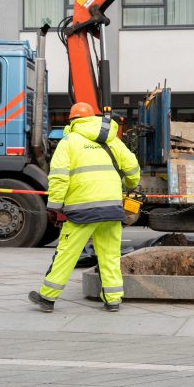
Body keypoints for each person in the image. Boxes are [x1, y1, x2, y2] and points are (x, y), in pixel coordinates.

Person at [28, 102, 140, 313]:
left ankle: (48, 298)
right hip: (112, 209)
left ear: (72, 121)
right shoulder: (112, 141)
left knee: (66, 254)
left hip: (81, 212)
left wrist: (54, 208)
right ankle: (113, 300)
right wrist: (131, 185)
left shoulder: (69, 142)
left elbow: (59, 178)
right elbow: (133, 168)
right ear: (93, 118)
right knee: (110, 255)